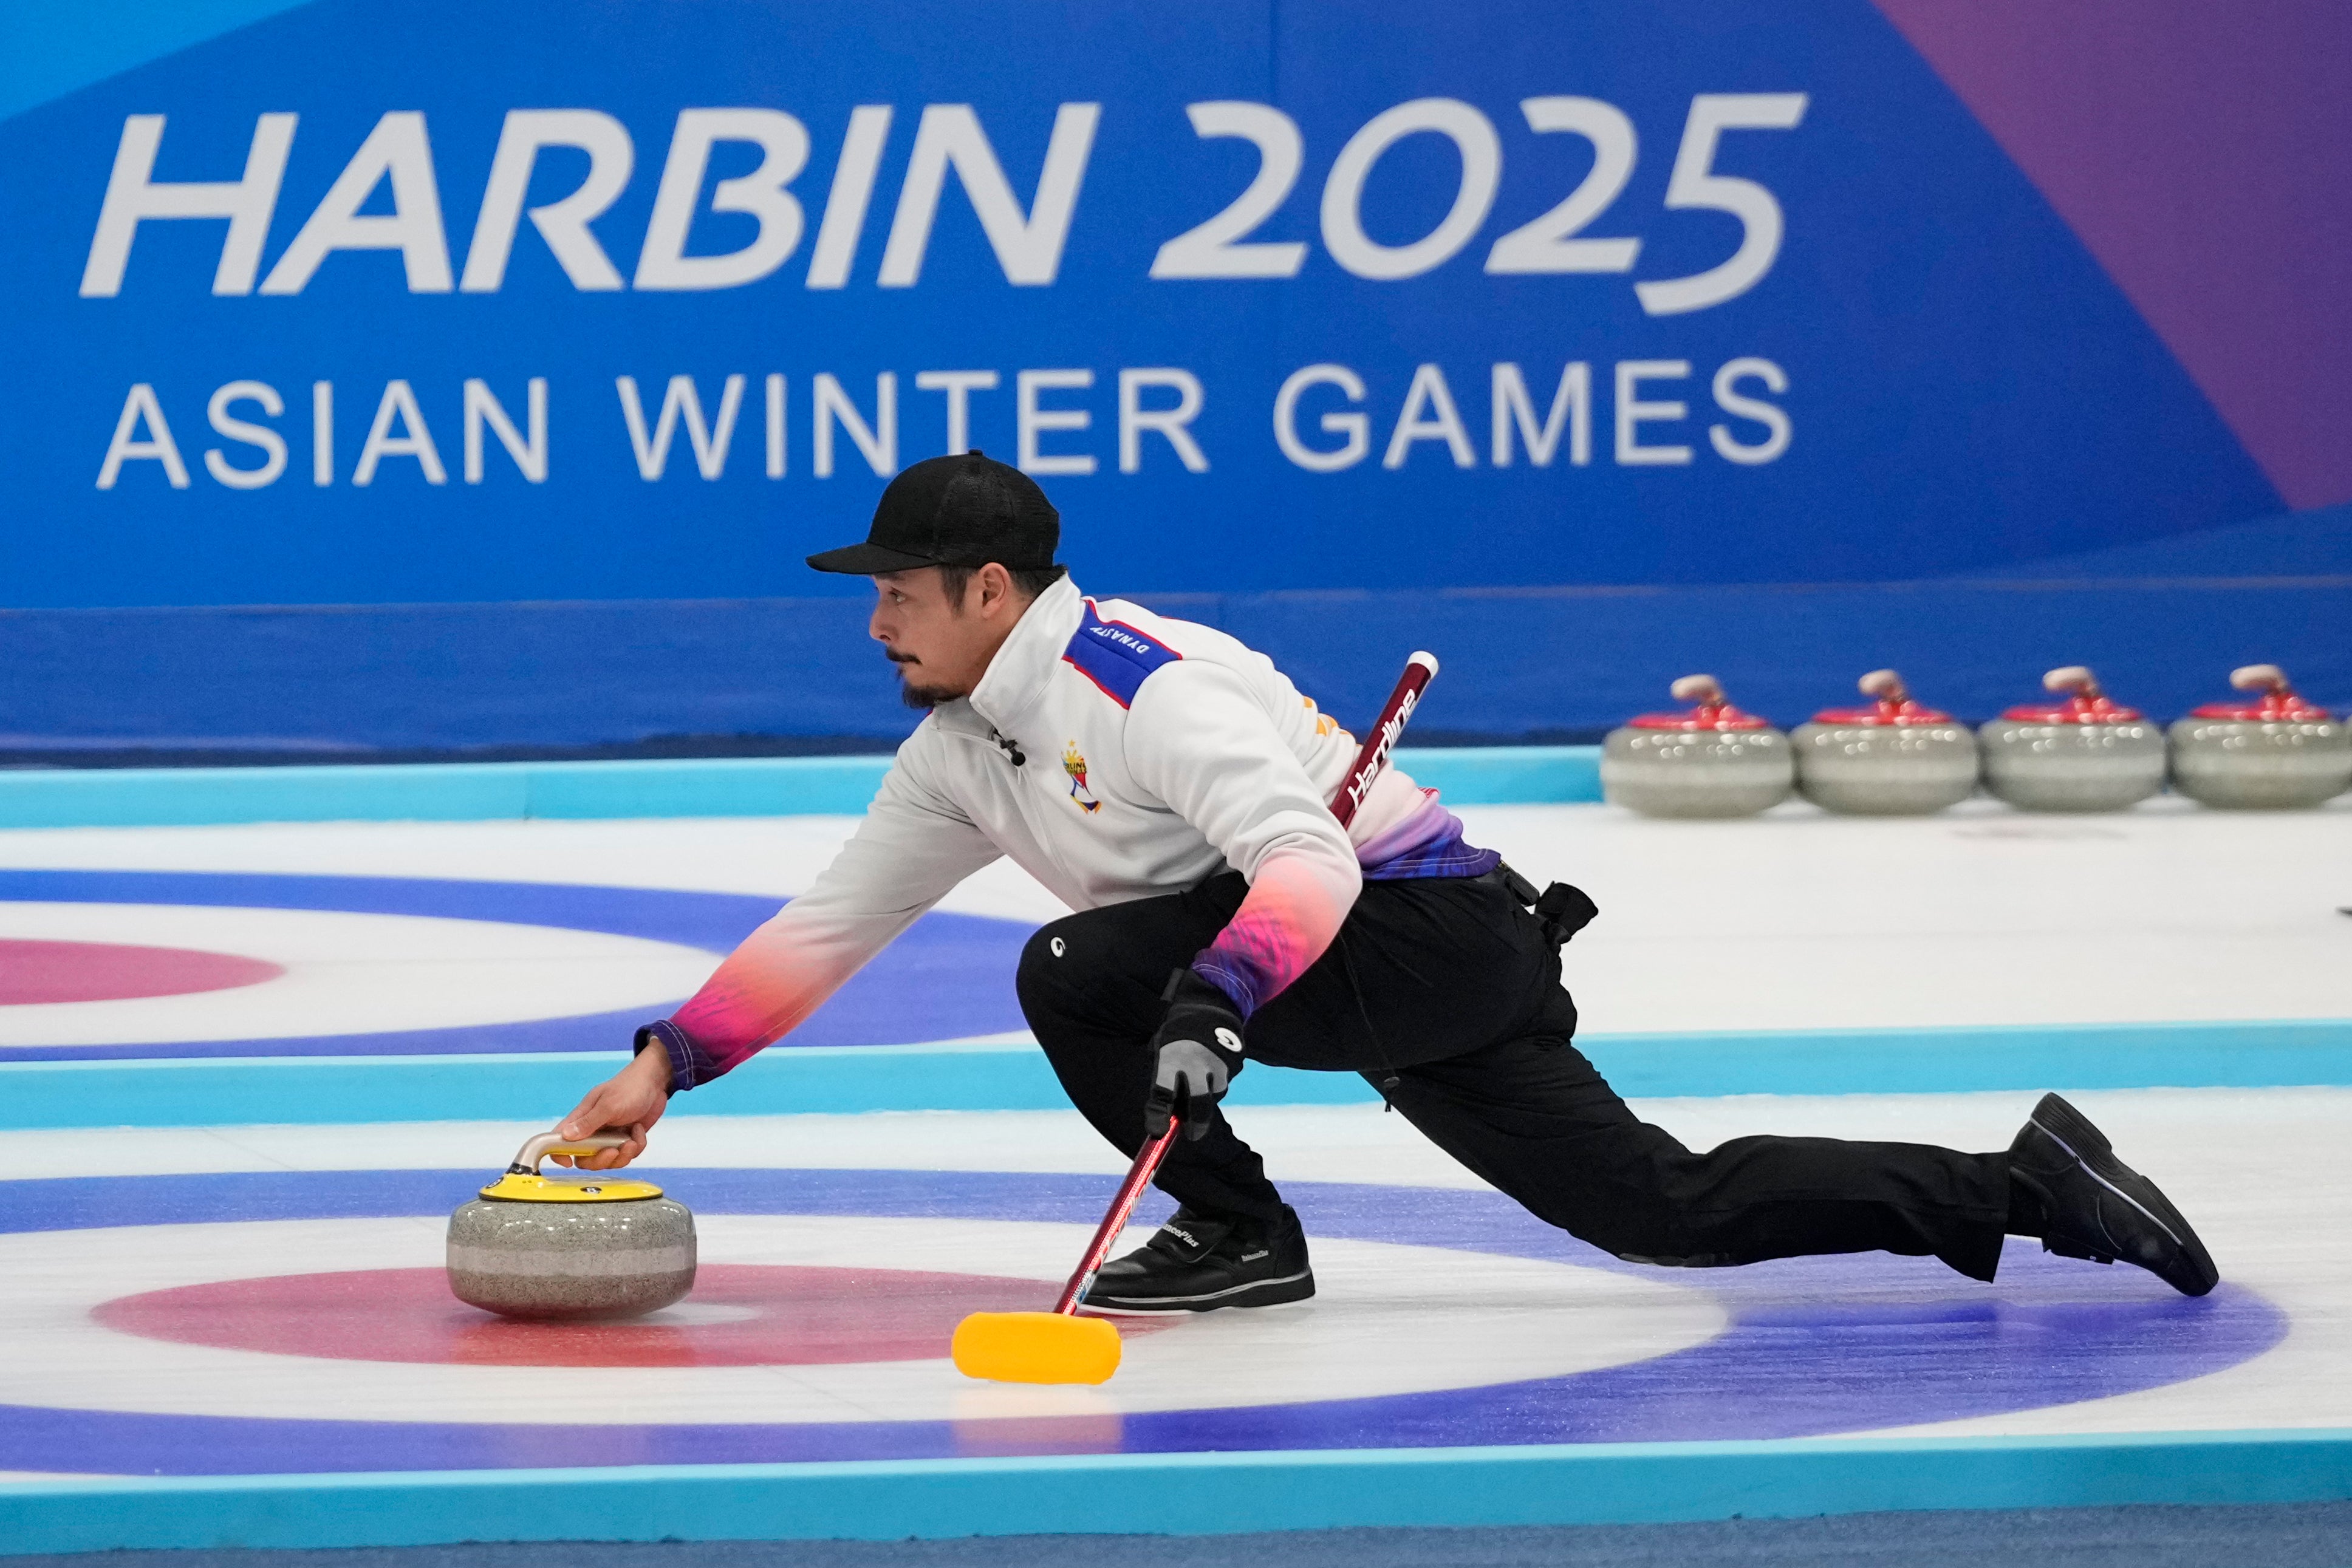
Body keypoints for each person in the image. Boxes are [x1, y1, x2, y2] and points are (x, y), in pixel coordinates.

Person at [556, 451, 2218, 1311]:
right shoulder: (957, 750)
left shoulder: (1148, 687)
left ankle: (1231, 1229)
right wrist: (665, 1067)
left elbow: (1298, 862)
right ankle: (2029, 1186)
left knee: (1071, 966)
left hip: (1427, 932)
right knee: (1662, 1210)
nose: (876, 624)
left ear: (992, 588)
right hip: (1362, 977)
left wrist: (1212, 999)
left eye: (898, 594)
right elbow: (832, 923)